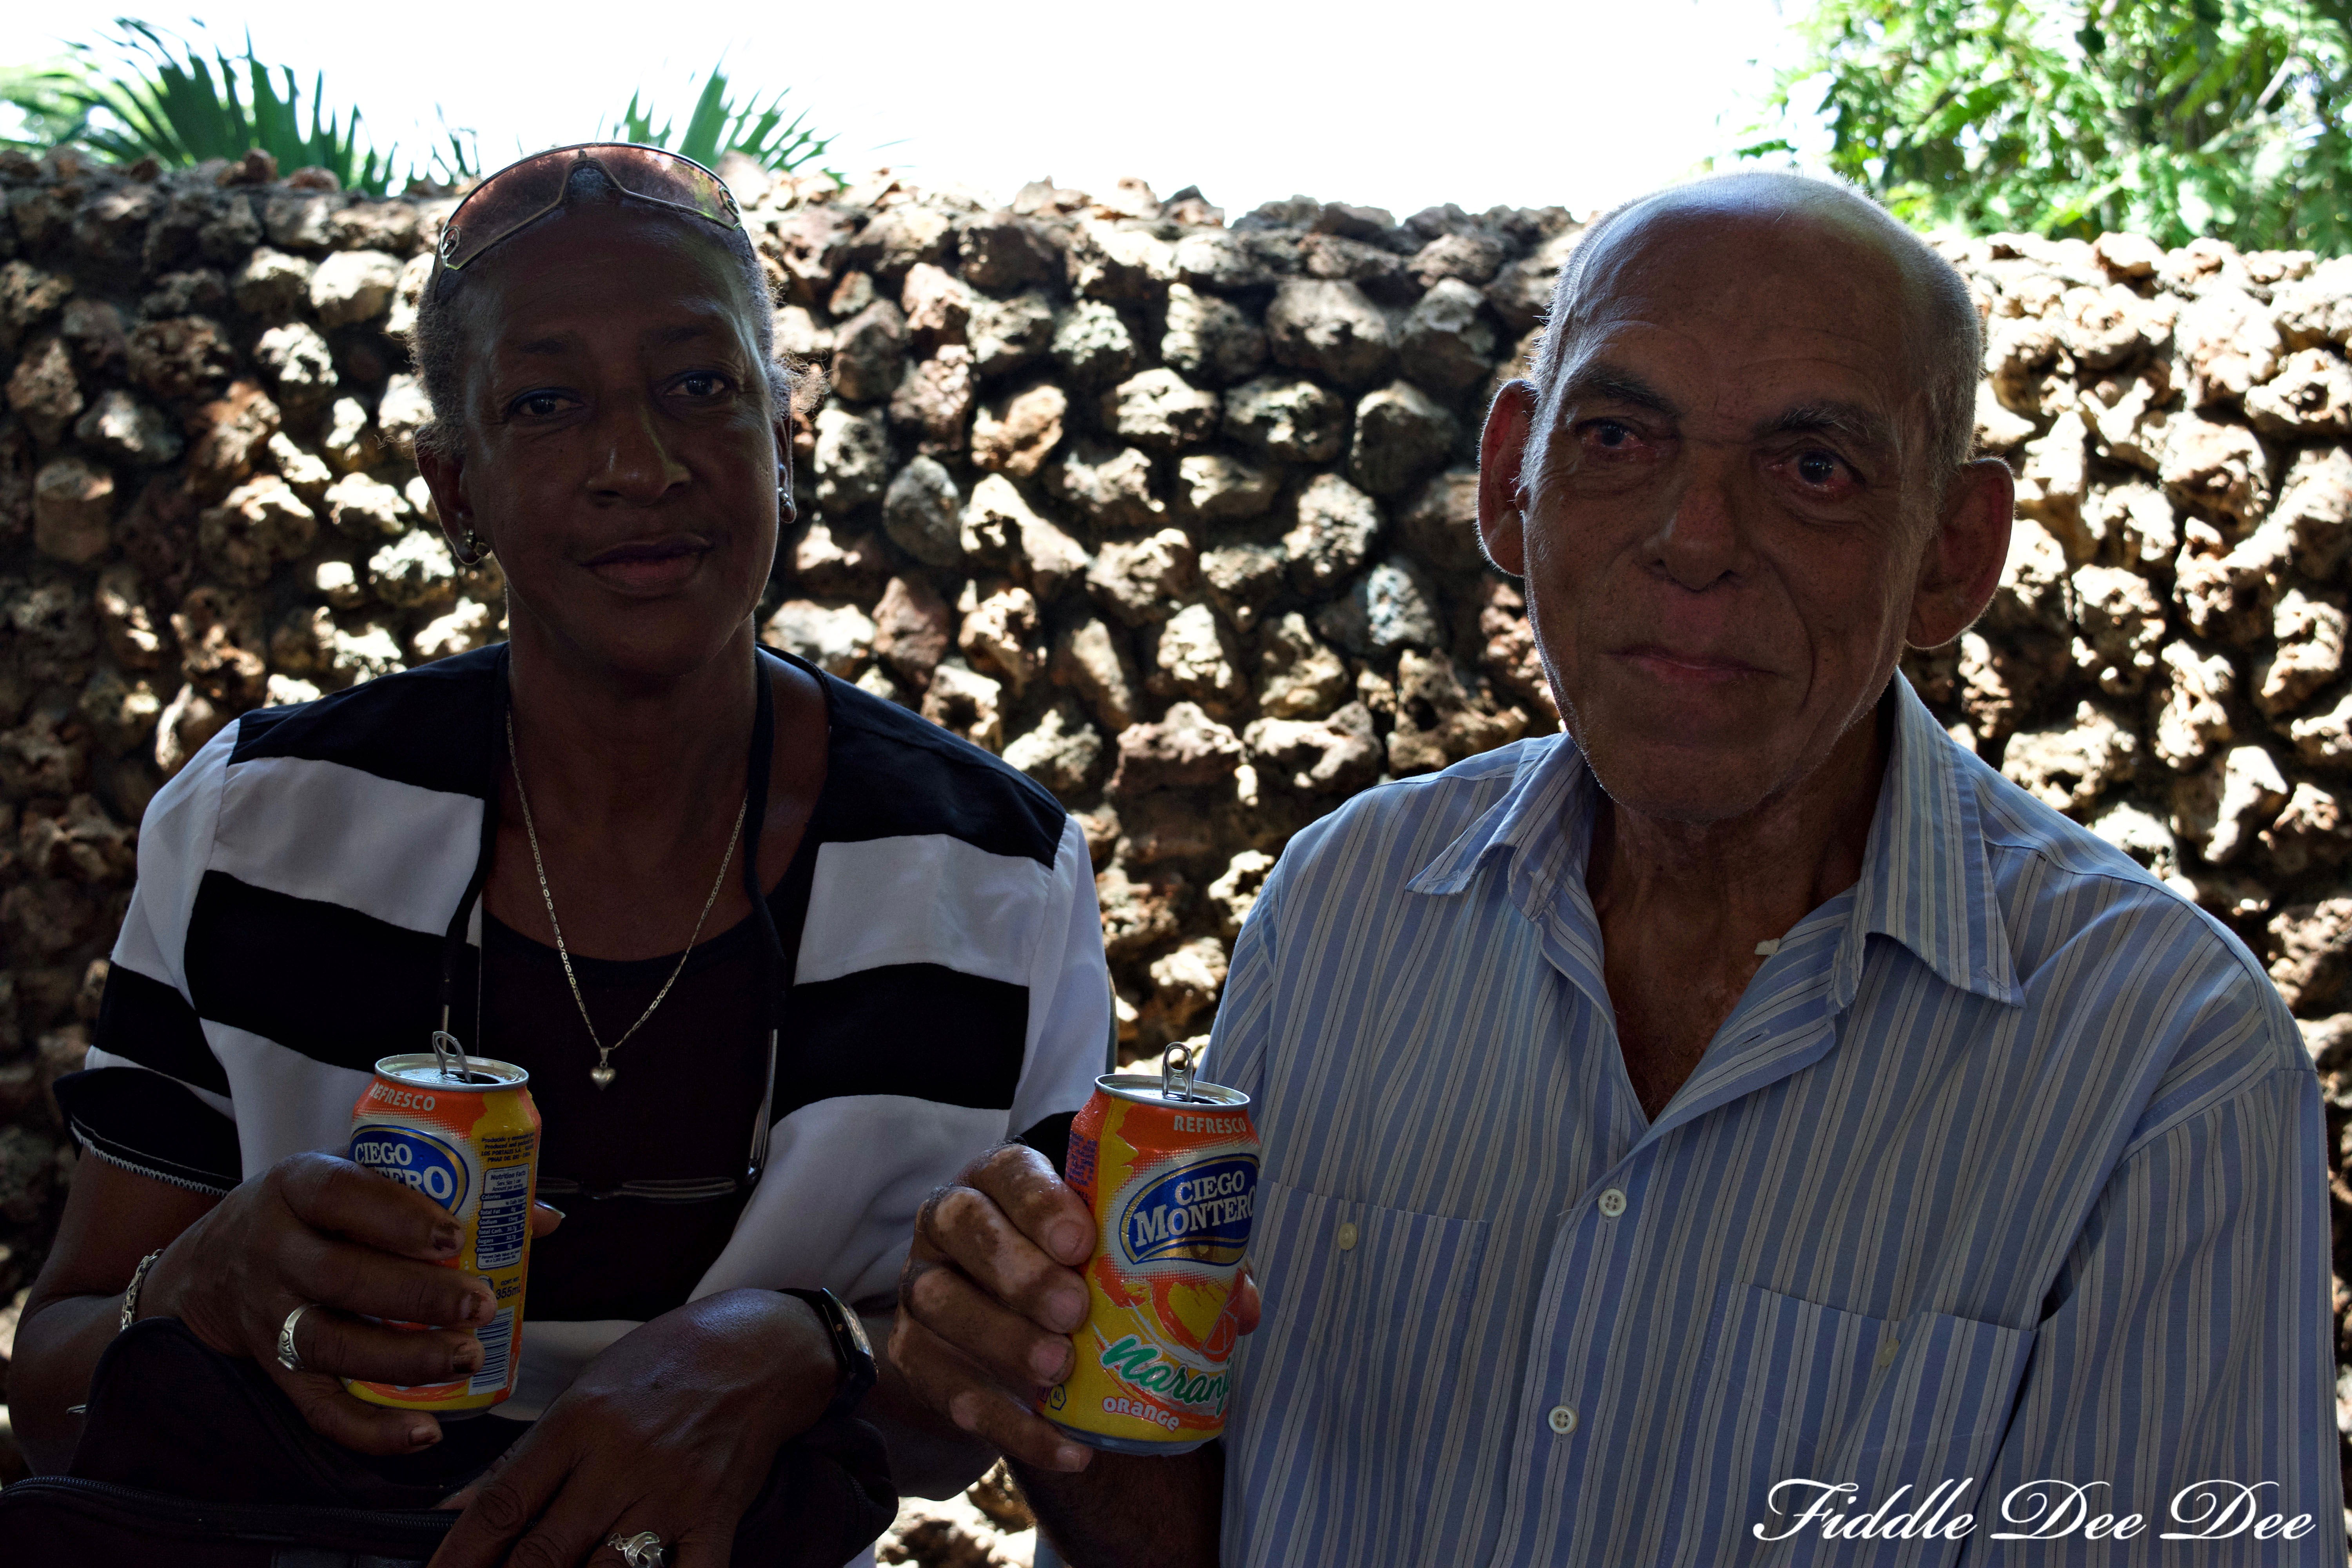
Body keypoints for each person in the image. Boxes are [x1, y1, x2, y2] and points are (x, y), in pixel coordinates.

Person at [893, 171, 2347, 1565]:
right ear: (1512, 482)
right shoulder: (1343, 918)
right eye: (1620, 439)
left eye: (1814, 467)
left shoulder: (2162, 1065)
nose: (1695, 540)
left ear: (1953, 559)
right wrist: (1054, 1394)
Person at [11, 144, 1110, 1568]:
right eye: (546, 404)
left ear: (790, 437)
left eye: (700, 387)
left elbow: (996, 1396)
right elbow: (53, 1393)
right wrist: (203, 1288)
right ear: (452, 489)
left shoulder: (991, 881)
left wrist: (802, 1352)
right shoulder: (260, 829)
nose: (638, 465)